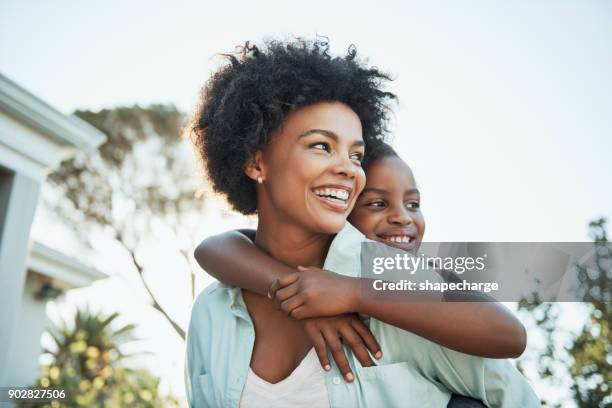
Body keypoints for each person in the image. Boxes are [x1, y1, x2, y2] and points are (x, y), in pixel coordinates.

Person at [185, 38, 540, 407]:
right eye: (322, 146)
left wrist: (353, 294)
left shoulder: (390, 280)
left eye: (356, 154)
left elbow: (512, 381)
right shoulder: (212, 313)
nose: (348, 168)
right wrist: (291, 296)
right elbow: (215, 248)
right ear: (256, 163)